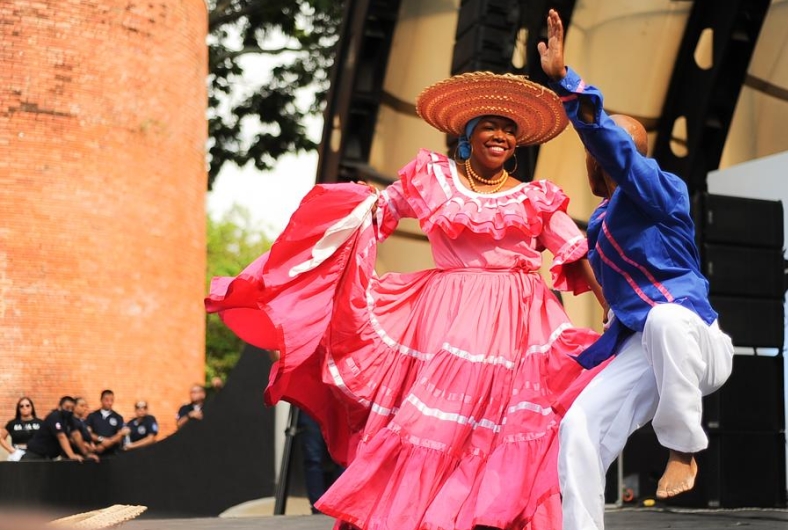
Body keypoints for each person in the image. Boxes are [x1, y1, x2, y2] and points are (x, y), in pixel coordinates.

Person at [206, 71, 608, 530]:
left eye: (510, 128)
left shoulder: (534, 198)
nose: (501, 135)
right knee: (429, 427)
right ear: (468, 131)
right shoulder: (434, 179)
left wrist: (610, 304)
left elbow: (576, 250)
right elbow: (377, 214)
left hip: (516, 323)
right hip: (443, 319)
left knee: (504, 431)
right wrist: (328, 242)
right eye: (491, 124)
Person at [538, 9, 735, 530]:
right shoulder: (600, 225)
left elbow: (620, 156)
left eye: (602, 152)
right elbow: (609, 292)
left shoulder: (660, 192)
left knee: (665, 319)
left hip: (698, 343)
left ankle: (683, 448)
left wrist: (567, 85)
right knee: (579, 425)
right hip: (645, 350)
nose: (592, 161)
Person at [23, 396, 98, 462]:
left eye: (71, 408)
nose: (69, 410)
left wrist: (86, 454)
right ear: (59, 407)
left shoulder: (70, 419)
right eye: (67, 408)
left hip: (48, 457)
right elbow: (61, 436)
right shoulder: (54, 416)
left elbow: (76, 435)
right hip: (35, 455)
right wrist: (71, 455)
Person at [85, 389, 129, 456]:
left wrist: (105, 445)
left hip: (113, 454)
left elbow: (120, 435)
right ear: (101, 400)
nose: (109, 403)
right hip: (96, 452)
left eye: (111, 400)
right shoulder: (92, 416)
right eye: (107, 400)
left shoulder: (118, 417)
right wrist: (101, 440)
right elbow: (88, 433)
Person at [1, 397, 42, 461]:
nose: (24, 408)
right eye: (21, 406)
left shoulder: (40, 423)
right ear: (18, 409)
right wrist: (11, 450)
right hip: (18, 454)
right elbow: (1, 437)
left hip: (36, 454)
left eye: (27, 405)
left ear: (32, 407)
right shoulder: (12, 423)